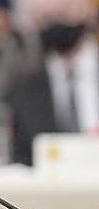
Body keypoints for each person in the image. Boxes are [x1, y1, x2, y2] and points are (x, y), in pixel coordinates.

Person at [9, 0, 99, 165]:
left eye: (63, 12)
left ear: (90, 10)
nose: (56, 21)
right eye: (46, 18)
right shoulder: (25, 89)